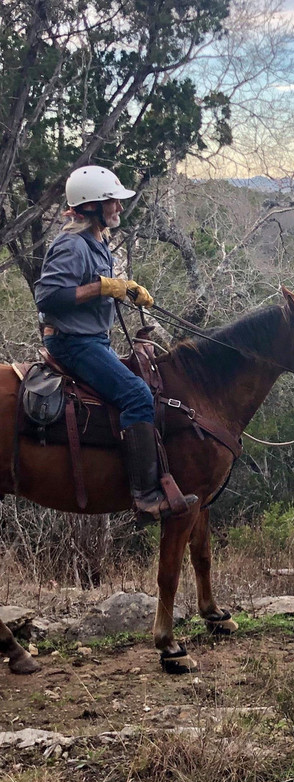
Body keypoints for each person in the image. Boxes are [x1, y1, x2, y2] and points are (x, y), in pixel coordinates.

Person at [34, 165, 197, 521]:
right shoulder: (72, 244)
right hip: (74, 344)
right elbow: (47, 296)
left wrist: (126, 289)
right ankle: (145, 495)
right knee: (137, 394)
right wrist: (106, 287)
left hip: (93, 340)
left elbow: (94, 290)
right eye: (112, 202)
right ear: (91, 205)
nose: (119, 209)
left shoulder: (97, 242)